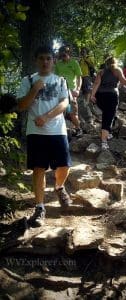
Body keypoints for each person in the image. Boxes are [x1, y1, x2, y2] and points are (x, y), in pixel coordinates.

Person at [17, 45, 72, 227]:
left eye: (48, 58)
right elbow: (22, 105)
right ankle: (40, 208)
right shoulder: (28, 80)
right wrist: (34, 89)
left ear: (53, 61)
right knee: (38, 169)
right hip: (35, 132)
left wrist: (47, 116)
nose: (45, 62)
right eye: (41, 58)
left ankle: (59, 187)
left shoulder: (61, 80)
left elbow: (65, 103)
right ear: (36, 61)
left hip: (57, 130)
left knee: (63, 166)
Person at [90, 56, 126, 150]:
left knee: (108, 115)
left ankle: (108, 133)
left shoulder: (101, 72)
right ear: (115, 62)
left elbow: (96, 83)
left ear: (106, 63)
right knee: (108, 117)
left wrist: (92, 95)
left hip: (100, 96)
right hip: (112, 96)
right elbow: (124, 82)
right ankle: (104, 141)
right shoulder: (117, 70)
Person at [55, 46, 83, 137]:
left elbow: (79, 77)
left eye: (65, 54)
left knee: (72, 113)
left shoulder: (74, 63)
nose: (63, 56)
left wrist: (78, 89)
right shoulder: (58, 64)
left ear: (69, 54)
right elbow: (55, 78)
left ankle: (78, 129)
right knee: (59, 111)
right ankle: (61, 131)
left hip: (71, 91)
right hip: (60, 91)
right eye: (62, 55)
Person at [79, 47, 96, 124]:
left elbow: (92, 66)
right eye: (82, 51)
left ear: (86, 52)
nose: (82, 52)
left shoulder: (89, 58)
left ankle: (87, 102)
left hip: (87, 76)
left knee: (87, 90)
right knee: (83, 90)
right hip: (80, 76)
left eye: (84, 51)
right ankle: (85, 103)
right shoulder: (80, 59)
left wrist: (86, 59)